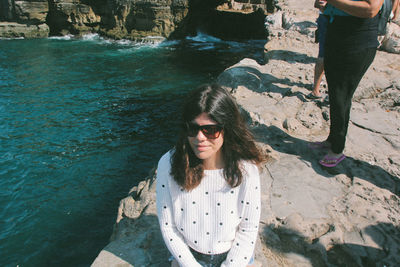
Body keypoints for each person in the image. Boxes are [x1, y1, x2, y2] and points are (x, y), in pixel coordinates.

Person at [156, 84, 265, 267]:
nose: (199, 137)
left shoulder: (246, 169)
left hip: (233, 256)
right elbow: (168, 227)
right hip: (188, 256)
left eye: (210, 130)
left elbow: (248, 228)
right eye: (192, 128)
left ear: (227, 128)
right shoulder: (168, 164)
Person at [311, 0, 384, 167]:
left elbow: (371, 10)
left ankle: (337, 150)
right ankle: (332, 139)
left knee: (341, 95)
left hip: (357, 42)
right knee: (336, 93)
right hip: (337, 37)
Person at [307, 0, 328, 100]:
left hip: (334, 20)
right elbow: (318, 4)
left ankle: (317, 89)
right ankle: (315, 90)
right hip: (327, 19)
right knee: (323, 56)